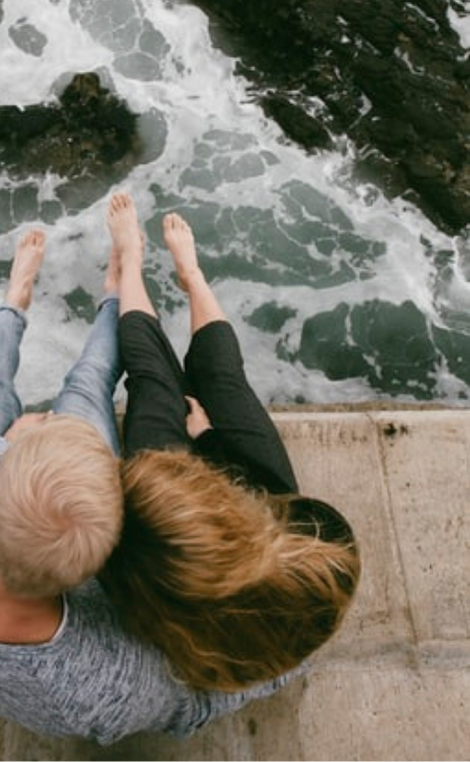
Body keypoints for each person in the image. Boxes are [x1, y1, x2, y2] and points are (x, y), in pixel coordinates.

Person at [0, 225, 301, 746]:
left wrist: (2, 449)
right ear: (106, 562)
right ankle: (111, 294)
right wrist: (288, 658)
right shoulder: (112, 681)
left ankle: (17, 299)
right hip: (30, 542)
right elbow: (197, 702)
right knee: (88, 383)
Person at [100, 191, 361, 692]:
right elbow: (262, 497)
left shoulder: (162, 584)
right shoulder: (315, 558)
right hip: (266, 493)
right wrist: (211, 439)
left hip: (180, 537)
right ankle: (191, 275)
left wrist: (193, 448)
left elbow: (128, 564)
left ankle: (130, 262)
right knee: (223, 377)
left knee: (154, 381)